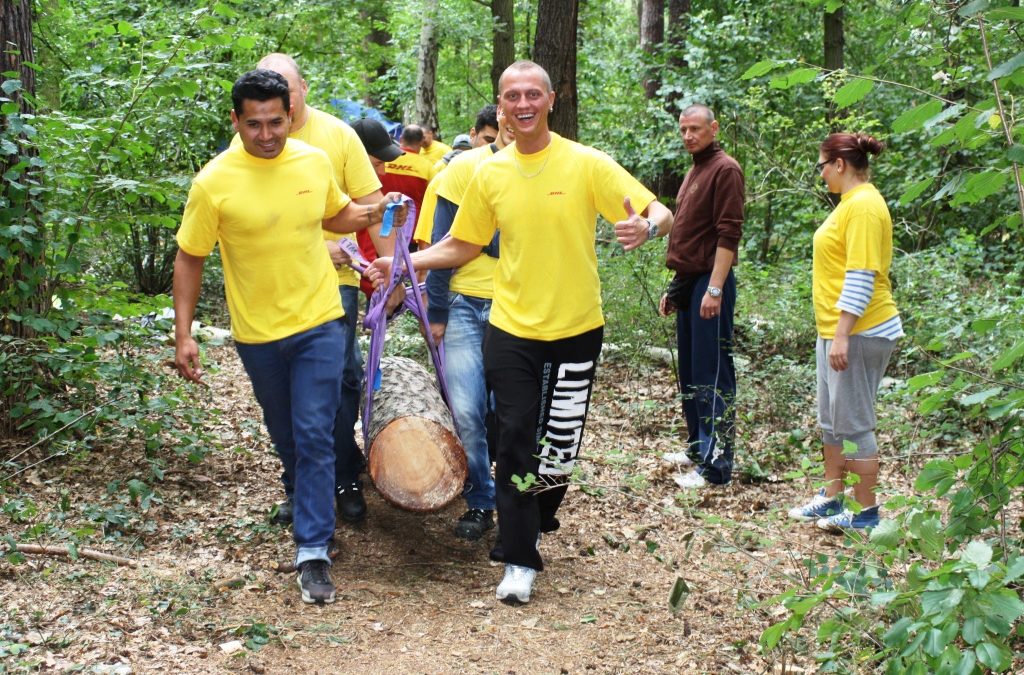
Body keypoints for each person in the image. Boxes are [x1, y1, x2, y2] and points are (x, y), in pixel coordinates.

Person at [367, 60, 673, 604]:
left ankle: (536, 517)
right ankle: (518, 555)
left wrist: (645, 225)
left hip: (577, 328)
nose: (523, 104)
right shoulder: (489, 172)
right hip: (511, 330)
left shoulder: (585, 163)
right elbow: (461, 245)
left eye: (533, 94)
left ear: (551, 100)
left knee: (558, 447)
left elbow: (659, 210)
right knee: (512, 439)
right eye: (513, 96)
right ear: (502, 105)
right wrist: (406, 265)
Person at [172, 69, 404, 604]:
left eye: (277, 121)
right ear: (236, 121)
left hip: (321, 318)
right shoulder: (214, 181)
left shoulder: (313, 161)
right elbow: (190, 258)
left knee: (317, 432)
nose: (267, 134)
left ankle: (313, 549)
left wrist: (371, 213)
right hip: (257, 334)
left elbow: (337, 213)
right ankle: (309, 510)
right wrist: (184, 335)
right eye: (254, 124)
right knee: (289, 438)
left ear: (290, 114)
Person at [251, 53, 392, 527]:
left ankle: (345, 477)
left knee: (340, 379)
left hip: (339, 282)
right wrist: (315, 245)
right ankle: (298, 483)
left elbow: (373, 204)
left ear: (303, 88)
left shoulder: (338, 136)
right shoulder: (255, 140)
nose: (279, 107)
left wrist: (387, 266)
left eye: (287, 92)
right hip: (274, 286)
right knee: (287, 389)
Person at [788, 132, 902, 532]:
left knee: (853, 424)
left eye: (822, 166)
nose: (821, 175)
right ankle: (832, 497)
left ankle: (866, 512)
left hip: (860, 330)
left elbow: (861, 274)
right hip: (836, 330)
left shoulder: (866, 207)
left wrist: (841, 335)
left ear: (839, 164)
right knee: (832, 422)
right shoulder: (850, 205)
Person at [419, 104, 512, 541]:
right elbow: (442, 244)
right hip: (462, 305)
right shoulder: (462, 169)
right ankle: (480, 499)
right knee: (468, 411)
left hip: (518, 308)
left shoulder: (545, 172)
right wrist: (435, 311)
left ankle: (514, 497)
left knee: (505, 413)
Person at [657, 105, 744, 490]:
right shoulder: (696, 169)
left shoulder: (725, 169)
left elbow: (728, 234)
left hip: (712, 283)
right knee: (691, 372)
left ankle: (716, 465)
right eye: (683, 130)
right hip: (691, 283)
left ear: (714, 128)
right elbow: (690, 237)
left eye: (695, 129)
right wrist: (677, 290)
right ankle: (697, 447)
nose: (689, 136)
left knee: (712, 372)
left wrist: (715, 288)